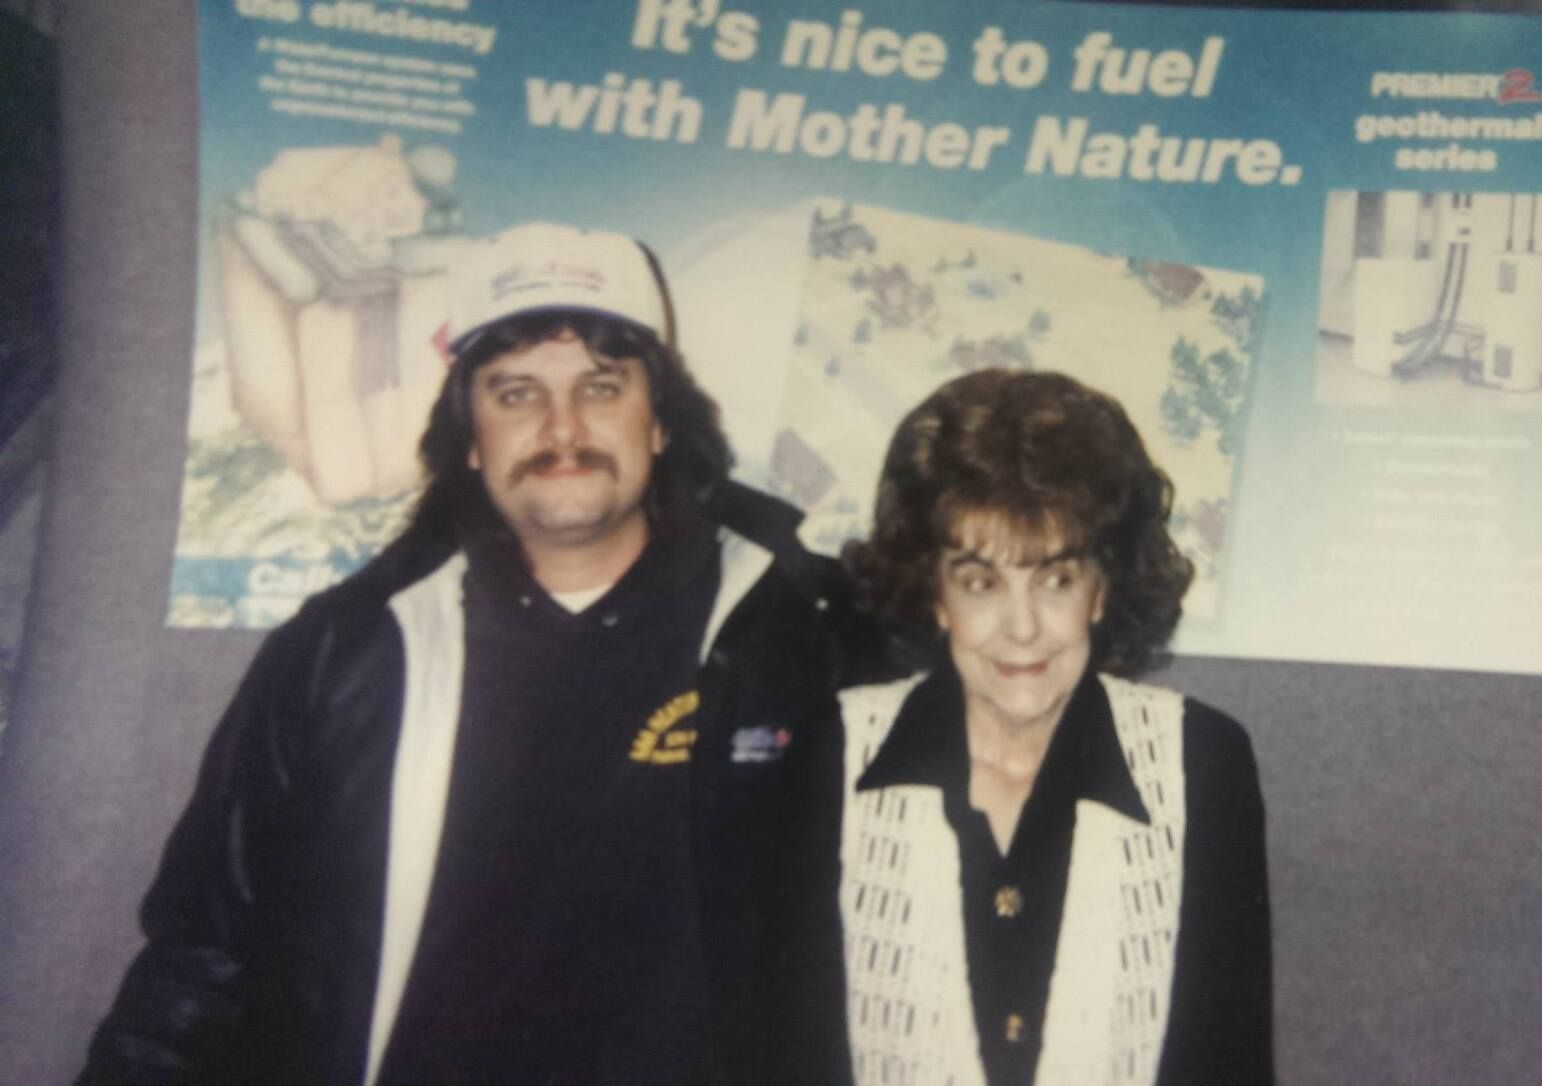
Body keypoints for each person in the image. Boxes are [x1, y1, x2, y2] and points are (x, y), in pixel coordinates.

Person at [78, 222, 871, 1086]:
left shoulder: (790, 641)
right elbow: (205, 955)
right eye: (517, 393)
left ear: (660, 425)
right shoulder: (347, 655)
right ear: (468, 435)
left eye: (601, 387)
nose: (563, 429)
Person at [835, 369, 1273, 1086]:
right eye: (980, 583)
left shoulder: (1205, 764)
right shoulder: (832, 758)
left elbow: (1231, 1062)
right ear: (934, 594)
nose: (1022, 628)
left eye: (1056, 579)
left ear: (1101, 589)